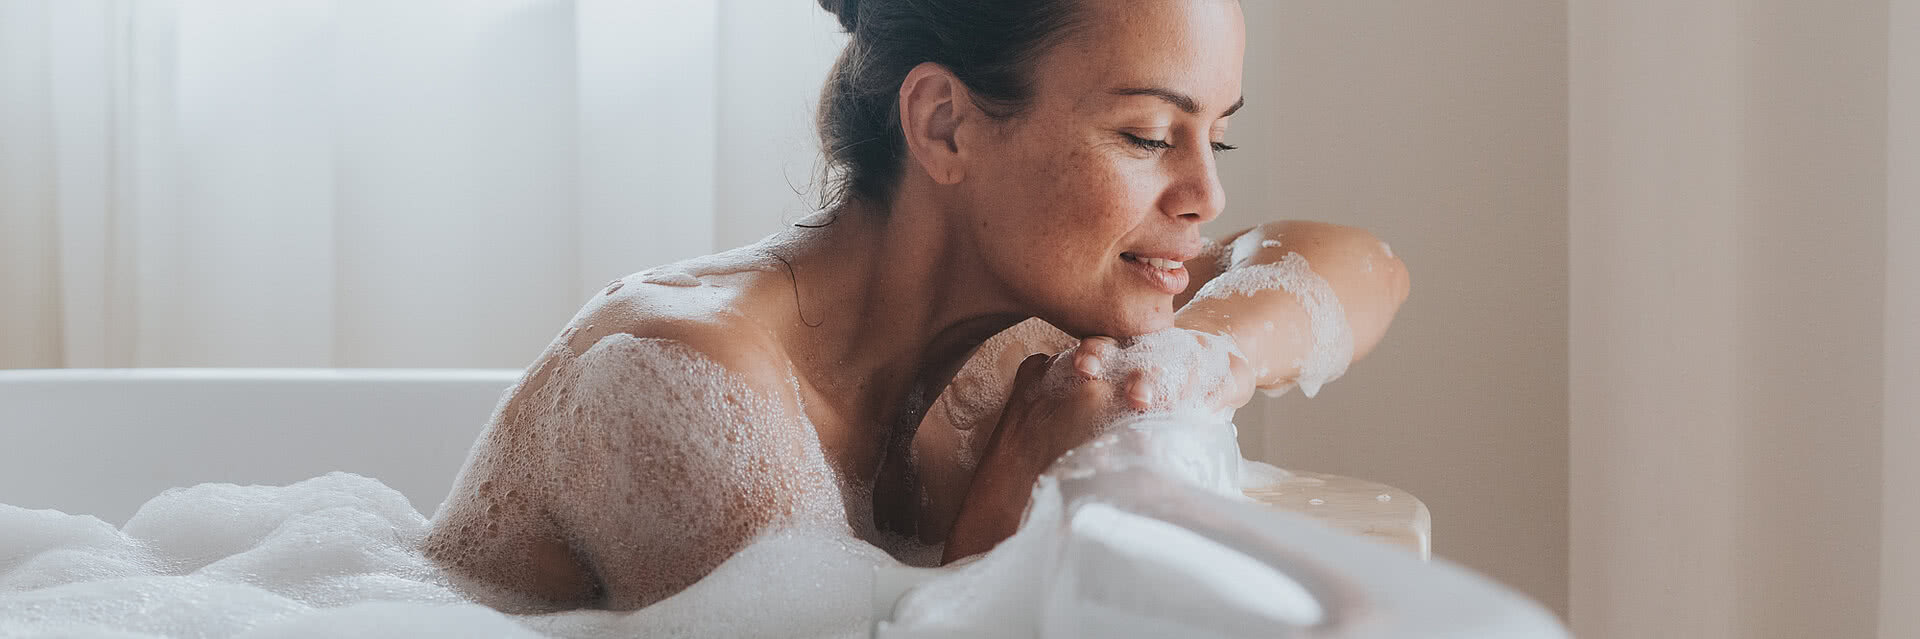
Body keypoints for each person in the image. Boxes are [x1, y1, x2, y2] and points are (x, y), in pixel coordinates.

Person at [425, 0, 1410, 612]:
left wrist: (1196, 361)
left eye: (1217, 139)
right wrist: (1013, 497)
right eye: (1150, 136)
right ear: (944, 125)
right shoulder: (678, 386)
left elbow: (1362, 266)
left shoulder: (1040, 320)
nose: (1208, 195)